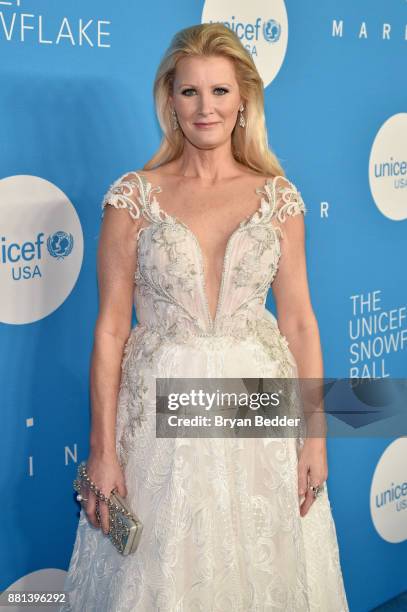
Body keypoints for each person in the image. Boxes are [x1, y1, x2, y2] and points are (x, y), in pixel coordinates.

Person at [61, 23, 349, 612]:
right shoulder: (133, 199)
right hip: (159, 424)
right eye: (190, 91)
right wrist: (102, 449)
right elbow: (111, 329)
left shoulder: (279, 198)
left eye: (219, 91)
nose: (205, 107)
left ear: (243, 99)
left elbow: (298, 323)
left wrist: (315, 436)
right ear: (170, 99)